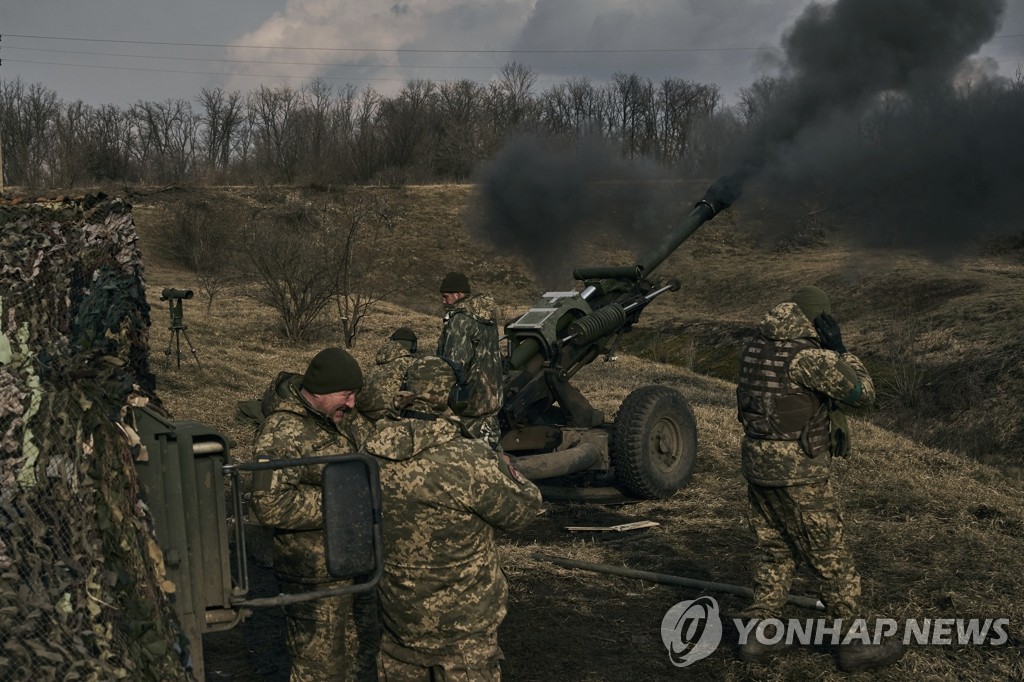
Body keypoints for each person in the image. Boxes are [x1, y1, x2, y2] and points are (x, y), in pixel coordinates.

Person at [734, 286, 906, 673]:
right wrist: (841, 350)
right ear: (817, 320)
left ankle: (758, 634)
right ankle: (855, 643)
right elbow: (863, 393)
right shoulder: (808, 358)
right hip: (800, 471)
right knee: (830, 555)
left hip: (758, 465)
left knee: (774, 550)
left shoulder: (754, 348)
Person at [364, 356, 543, 681]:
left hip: (398, 624)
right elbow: (525, 510)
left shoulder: (370, 455)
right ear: (450, 398)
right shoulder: (469, 461)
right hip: (464, 634)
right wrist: (503, 466)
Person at [249, 347, 379, 682]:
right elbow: (268, 503)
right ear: (318, 392)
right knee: (319, 670)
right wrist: (342, 504)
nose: (351, 403)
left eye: (354, 395)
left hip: (359, 568)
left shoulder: (346, 418)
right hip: (313, 575)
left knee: (362, 662)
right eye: (345, 395)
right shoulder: (280, 432)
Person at [437, 271, 503, 448]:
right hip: (490, 403)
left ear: (458, 295)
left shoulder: (460, 320)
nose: (443, 301)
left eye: (446, 296)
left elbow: (453, 364)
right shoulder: (487, 318)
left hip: (467, 407)